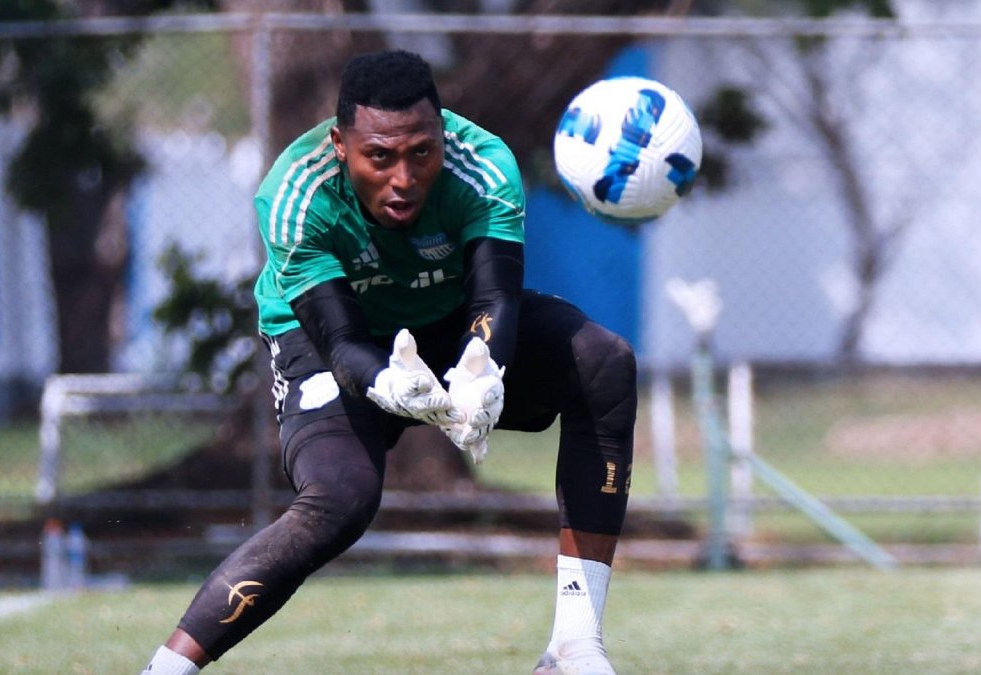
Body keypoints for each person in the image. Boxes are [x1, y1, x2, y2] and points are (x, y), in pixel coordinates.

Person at [142, 49, 636, 675]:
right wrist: (384, 380)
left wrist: (481, 369)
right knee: (341, 499)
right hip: (328, 338)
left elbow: (494, 298)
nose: (403, 178)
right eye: (380, 157)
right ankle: (165, 670)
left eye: (422, 152)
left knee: (603, 362)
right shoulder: (294, 194)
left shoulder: (484, 165)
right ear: (339, 145)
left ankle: (573, 647)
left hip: (446, 318)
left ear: (442, 136)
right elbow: (342, 341)